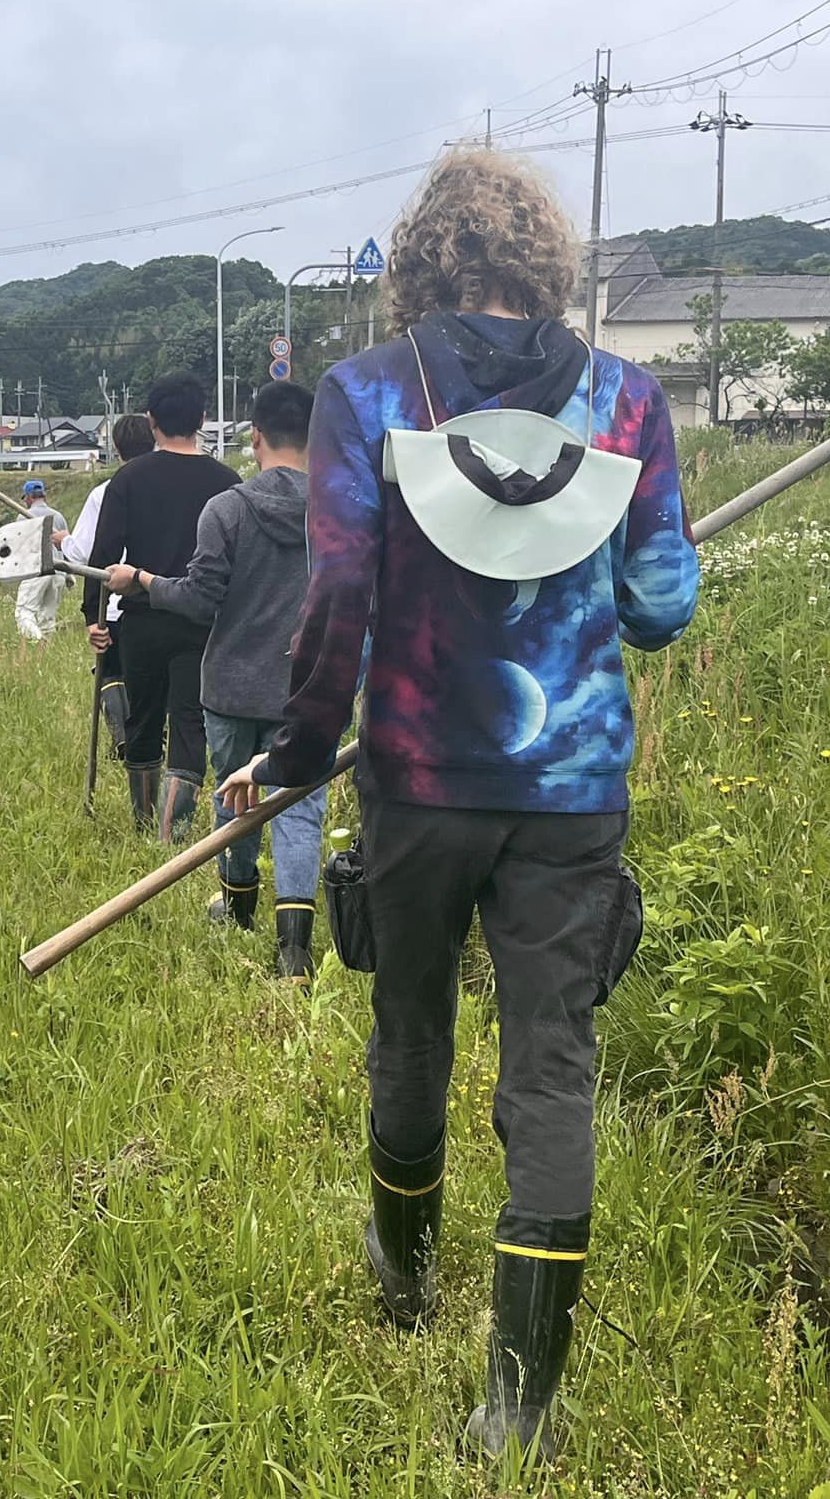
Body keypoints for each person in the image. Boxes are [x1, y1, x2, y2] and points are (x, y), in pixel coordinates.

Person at [219, 149, 700, 1463]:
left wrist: (306, 749)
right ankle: (519, 1409)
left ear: (423, 264)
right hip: (572, 794)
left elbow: (336, 606)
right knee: (553, 1070)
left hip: (419, 781)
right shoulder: (627, 398)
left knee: (410, 1028)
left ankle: (402, 1275)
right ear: (546, 260)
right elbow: (662, 607)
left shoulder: (365, 394)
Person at [105, 380, 324, 980]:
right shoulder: (340, 513)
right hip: (306, 690)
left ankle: (237, 905)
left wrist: (144, 581)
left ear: (253, 437)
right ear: (316, 438)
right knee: (298, 808)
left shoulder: (228, 508)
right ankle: (295, 948)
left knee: (236, 794)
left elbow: (201, 600)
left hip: (229, 686)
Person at [85, 373, 239, 839]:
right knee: (190, 721)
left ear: (151, 422)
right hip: (201, 624)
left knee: (143, 718)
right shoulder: (227, 482)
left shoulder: (128, 479)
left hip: (142, 622)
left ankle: (144, 824)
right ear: (204, 420)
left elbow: (103, 556)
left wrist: (94, 618)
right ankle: (173, 837)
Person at [65, 413, 156, 758]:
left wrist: (62, 541)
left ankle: (123, 739)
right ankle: (151, 738)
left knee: (111, 672)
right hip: (160, 598)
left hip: (114, 603)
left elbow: (85, 552)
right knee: (151, 678)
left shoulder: (104, 492)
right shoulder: (169, 485)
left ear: (117, 449)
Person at [12, 479, 68, 644]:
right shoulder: (58, 516)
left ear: (28, 498)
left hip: (36, 570)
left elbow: (18, 546)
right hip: (58, 572)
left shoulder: (23, 517)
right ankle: (45, 653)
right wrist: (69, 574)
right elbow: (67, 546)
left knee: (23, 612)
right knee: (48, 618)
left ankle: (36, 641)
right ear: (44, 496)